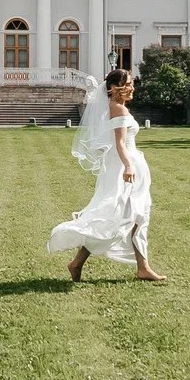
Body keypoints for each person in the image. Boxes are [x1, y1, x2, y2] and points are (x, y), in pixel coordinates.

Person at [48, 69, 166, 283]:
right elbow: (119, 143)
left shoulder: (118, 108)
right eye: (128, 83)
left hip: (128, 164)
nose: (132, 87)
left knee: (135, 215)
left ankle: (142, 267)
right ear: (114, 87)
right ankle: (139, 267)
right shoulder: (117, 109)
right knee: (122, 215)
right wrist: (128, 166)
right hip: (124, 167)